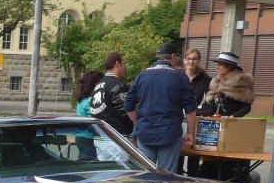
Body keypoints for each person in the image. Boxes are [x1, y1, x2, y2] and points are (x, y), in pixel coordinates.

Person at [124, 41, 197, 173]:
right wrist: (190, 132)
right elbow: (190, 109)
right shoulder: (180, 77)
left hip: (145, 133)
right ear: (173, 57)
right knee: (166, 179)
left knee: (146, 176)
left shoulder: (141, 76)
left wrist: (137, 123)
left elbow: (128, 106)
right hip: (170, 133)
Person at [89, 52, 133, 137]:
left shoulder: (99, 85)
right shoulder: (117, 85)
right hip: (117, 136)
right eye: (124, 64)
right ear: (117, 64)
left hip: (99, 134)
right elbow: (126, 111)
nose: (125, 67)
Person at [200, 51, 255, 118]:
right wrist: (196, 113)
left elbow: (246, 107)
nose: (217, 67)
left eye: (220, 64)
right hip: (216, 122)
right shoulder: (216, 83)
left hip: (232, 123)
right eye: (217, 64)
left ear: (229, 66)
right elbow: (212, 108)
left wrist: (232, 117)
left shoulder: (241, 82)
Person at [75, 70, 105, 161]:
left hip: (80, 136)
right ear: (96, 84)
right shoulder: (92, 100)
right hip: (89, 138)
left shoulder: (82, 99)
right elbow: (94, 120)